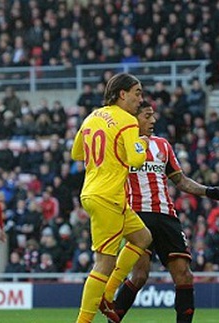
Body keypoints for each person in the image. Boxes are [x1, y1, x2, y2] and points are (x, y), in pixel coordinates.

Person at [111, 101, 219, 323]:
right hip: (137, 216)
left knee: (184, 274)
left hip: (166, 216)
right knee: (139, 275)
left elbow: (181, 181)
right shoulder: (121, 144)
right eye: (147, 116)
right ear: (133, 118)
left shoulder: (163, 145)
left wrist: (209, 191)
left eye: (153, 116)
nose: (153, 120)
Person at [71, 73, 153, 323]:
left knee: (143, 238)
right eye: (137, 93)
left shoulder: (91, 117)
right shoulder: (127, 121)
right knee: (104, 263)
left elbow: (76, 153)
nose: (140, 99)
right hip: (108, 197)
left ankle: (107, 293)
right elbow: (137, 160)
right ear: (122, 94)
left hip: (97, 192)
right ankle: (83, 321)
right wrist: (143, 142)